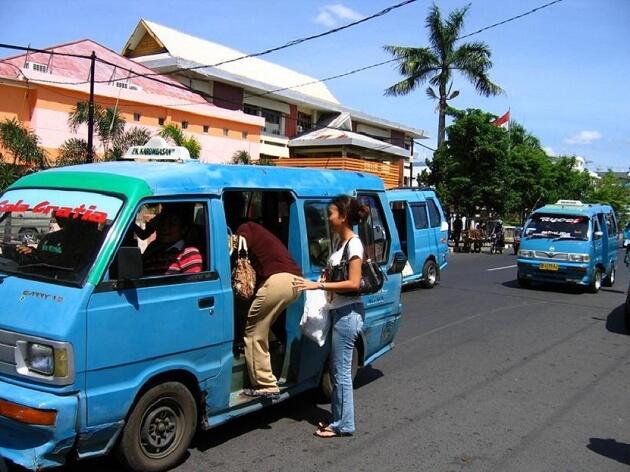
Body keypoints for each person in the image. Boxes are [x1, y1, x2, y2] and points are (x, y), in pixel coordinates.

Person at [294, 195, 369, 438]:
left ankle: (343, 424)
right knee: (338, 370)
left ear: (343, 216)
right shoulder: (340, 242)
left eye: (332, 212)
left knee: (340, 372)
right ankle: (338, 420)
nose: (328, 217)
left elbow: (354, 282)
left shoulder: (354, 245)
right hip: (339, 311)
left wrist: (319, 287)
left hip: (348, 314)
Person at [234, 220, 302, 398]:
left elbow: (241, 246)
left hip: (278, 280)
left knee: (253, 330)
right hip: (294, 282)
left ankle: (265, 384)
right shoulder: (261, 232)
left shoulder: (245, 228)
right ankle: (273, 346)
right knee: (262, 321)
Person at [142, 209, 203, 276]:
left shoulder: (189, 253)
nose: (164, 228)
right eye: (161, 223)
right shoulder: (153, 247)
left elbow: (192, 284)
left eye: (172, 224)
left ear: (183, 229)